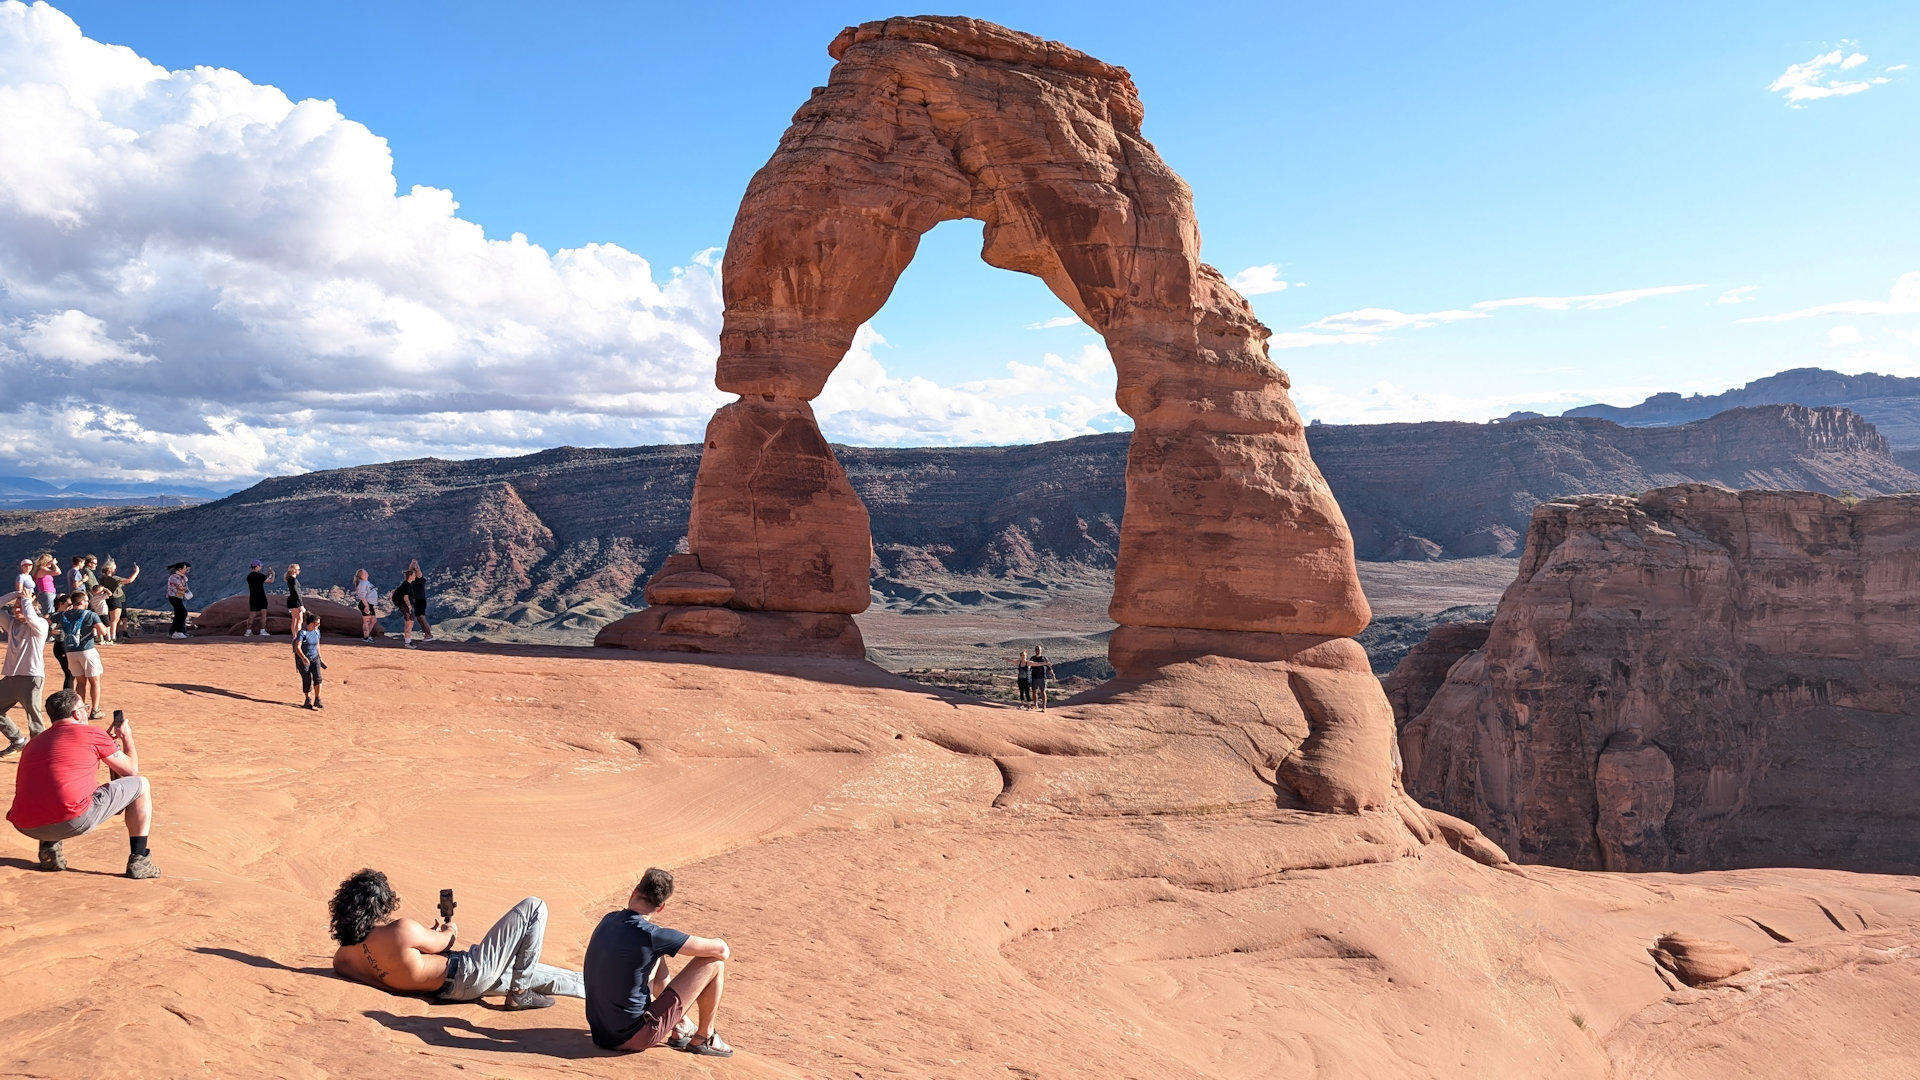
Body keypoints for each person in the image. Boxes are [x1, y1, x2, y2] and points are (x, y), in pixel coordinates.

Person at [328, 868, 581, 1009]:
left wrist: (421, 947)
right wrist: (447, 928)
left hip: (449, 991)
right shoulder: (401, 931)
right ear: (382, 904)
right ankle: (520, 992)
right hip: (470, 972)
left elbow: (390, 972)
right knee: (535, 906)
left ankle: (591, 985)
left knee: (545, 975)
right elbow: (448, 940)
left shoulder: (343, 958)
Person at [5, 690, 160, 878]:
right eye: (85, 708)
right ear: (77, 714)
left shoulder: (35, 742)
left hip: (26, 824)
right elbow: (131, 771)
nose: (86, 711)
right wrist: (127, 737)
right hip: (72, 820)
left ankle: (49, 851)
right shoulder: (93, 734)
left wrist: (104, 743)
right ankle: (140, 859)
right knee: (141, 785)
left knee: (52, 786)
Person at [584, 867, 733, 1056]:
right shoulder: (653, 935)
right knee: (714, 963)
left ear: (635, 892)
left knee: (656, 952)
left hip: (600, 1033)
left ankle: (681, 1024)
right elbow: (722, 950)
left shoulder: (609, 919)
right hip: (632, 1037)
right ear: (661, 907)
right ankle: (705, 1037)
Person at [0, 589, 48, 755]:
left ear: (33, 608)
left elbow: (31, 618)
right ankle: (18, 740)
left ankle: (39, 754)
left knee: (34, 719)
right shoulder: (12, 624)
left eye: (21, 607)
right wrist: (16, 594)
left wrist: (26, 600)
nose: (16, 610)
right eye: (15, 607)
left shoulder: (41, 624)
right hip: (11, 678)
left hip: (31, 679)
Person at [55, 591, 105, 715]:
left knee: (80, 682)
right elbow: (103, 631)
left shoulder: (64, 614)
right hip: (87, 650)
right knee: (95, 681)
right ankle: (95, 709)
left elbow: (48, 619)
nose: (88, 603)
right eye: (87, 601)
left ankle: (80, 709)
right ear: (82, 602)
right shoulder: (90, 615)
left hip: (71, 652)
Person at [97, 559, 138, 644]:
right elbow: (129, 580)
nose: (115, 570)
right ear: (110, 569)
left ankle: (109, 636)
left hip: (108, 600)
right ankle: (113, 637)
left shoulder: (103, 579)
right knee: (114, 620)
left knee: (111, 619)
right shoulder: (114, 579)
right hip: (115, 600)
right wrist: (136, 572)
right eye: (114, 568)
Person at [294, 611, 326, 709]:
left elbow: (317, 645)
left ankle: (317, 699)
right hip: (303, 660)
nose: (318, 625)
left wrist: (320, 658)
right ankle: (307, 699)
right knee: (307, 679)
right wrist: (303, 657)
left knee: (318, 678)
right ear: (312, 623)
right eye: (317, 623)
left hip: (315, 658)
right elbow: (297, 647)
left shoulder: (317, 632)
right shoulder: (302, 633)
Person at [244, 560, 275, 637]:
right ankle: (262, 631)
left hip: (253, 598)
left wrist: (267, 575)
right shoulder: (260, 576)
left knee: (252, 615)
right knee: (263, 614)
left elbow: (262, 579)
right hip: (261, 597)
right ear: (257, 566)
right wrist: (273, 574)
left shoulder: (249, 577)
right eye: (260, 566)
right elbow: (271, 581)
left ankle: (248, 631)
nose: (260, 567)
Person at [50, 593, 74, 692]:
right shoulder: (56, 615)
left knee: (70, 673)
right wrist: (51, 630)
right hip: (61, 645)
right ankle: (67, 696)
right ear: (61, 604)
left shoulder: (67, 615)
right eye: (69, 605)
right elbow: (51, 624)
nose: (71, 607)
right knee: (70, 673)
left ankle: (68, 695)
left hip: (65, 645)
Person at [406, 559, 433, 642]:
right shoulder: (412, 581)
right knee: (419, 618)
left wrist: (415, 563)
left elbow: (418, 571)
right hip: (416, 601)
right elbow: (410, 570)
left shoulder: (420, 579)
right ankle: (427, 635)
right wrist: (412, 563)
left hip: (421, 600)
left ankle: (429, 635)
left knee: (421, 617)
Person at [165, 562, 191, 638]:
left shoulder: (180, 576)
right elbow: (181, 587)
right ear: (180, 569)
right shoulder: (174, 577)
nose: (186, 571)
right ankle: (178, 631)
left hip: (178, 597)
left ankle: (173, 632)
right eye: (185, 569)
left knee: (179, 614)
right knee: (183, 613)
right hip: (175, 597)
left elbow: (184, 583)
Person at [391, 570, 416, 648]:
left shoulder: (407, 584)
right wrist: (409, 606)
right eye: (414, 575)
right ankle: (407, 642)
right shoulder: (406, 585)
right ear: (410, 576)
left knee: (410, 622)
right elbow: (405, 596)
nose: (415, 577)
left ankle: (408, 641)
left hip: (406, 606)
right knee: (409, 622)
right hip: (405, 606)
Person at [352, 569, 379, 641]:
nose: (367, 573)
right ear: (361, 576)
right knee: (367, 621)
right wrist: (366, 606)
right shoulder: (362, 584)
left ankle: (367, 636)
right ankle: (366, 637)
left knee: (373, 621)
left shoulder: (366, 582)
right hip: (366, 604)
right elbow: (362, 596)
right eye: (365, 573)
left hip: (370, 604)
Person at [1030, 645, 1054, 712]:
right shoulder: (1032, 658)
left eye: (1038, 649)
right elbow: (1029, 667)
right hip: (1034, 677)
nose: (1037, 651)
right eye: (1036, 649)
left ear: (1041, 651)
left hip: (1042, 677)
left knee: (1043, 691)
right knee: (1034, 691)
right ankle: (1035, 705)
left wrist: (1052, 675)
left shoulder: (1044, 658)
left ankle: (1044, 707)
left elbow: (1049, 667)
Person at [284, 563, 303, 640]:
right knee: (299, 620)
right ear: (294, 570)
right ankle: (298, 637)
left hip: (292, 601)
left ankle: (294, 637)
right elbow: (296, 592)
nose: (299, 571)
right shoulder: (294, 580)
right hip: (296, 602)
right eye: (298, 569)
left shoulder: (290, 579)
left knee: (294, 619)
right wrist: (301, 604)